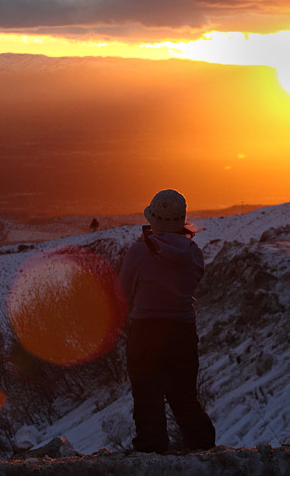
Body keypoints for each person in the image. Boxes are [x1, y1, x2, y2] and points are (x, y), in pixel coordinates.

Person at [120, 189, 216, 454]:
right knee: (184, 398)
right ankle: (205, 454)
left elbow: (122, 293)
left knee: (147, 399)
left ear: (154, 220)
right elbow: (193, 282)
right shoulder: (194, 253)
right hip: (183, 334)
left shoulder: (139, 251)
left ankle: (152, 458)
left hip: (145, 335)